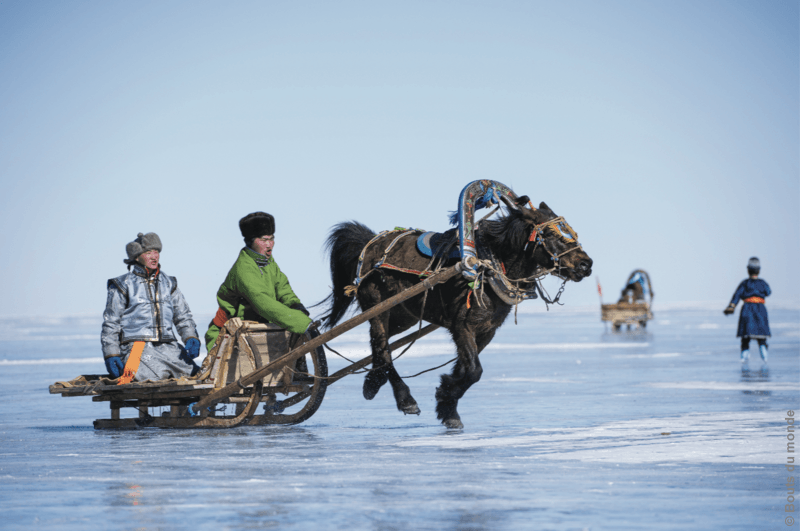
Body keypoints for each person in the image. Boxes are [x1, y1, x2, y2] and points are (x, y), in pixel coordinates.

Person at [204, 212, 312, 352]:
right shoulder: (243, 269)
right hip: (229, 337)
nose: (269, 245)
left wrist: (296, 306)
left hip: (259, 332)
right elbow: (263, 303)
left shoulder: (269, 263)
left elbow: (283, 289)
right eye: (264, 240)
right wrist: (301, 323)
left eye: (272, 239)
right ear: (251, 241)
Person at [101, 232, 201, 382]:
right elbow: (111, 323)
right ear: (136, 257)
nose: (154, 256)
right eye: (148, 253)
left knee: (198, 377)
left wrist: (191, 336)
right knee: (144, 379)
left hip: (169, 348)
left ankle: (193, 405)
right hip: (136, 348)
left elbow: (183, 316)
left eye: (156, 252)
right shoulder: (122, 285)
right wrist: (111, 353)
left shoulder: (169, 283)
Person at [724, 257, 771, 364]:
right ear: (759, 270)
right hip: (760, 310)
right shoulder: (762, 283)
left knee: (746, 338)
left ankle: (744, 358)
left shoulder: (745, 283)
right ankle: (765, 358)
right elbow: (768, 292)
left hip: (748, 310)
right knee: (762, 338)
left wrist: (731, 306)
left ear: (748, 270)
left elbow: (737, 295)